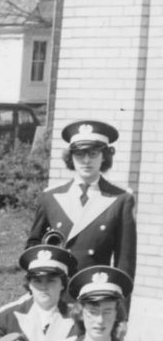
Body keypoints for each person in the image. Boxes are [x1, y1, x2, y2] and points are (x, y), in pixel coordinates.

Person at [27, 120, 136, 281]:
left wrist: (118, 305)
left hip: (93, 292)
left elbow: (125, 262)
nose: (86, 161)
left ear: (104, 157)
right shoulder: (50, 197)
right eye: (79, 154)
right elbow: (33, 247)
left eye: (93, 154)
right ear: (70, 157)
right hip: (56, 291)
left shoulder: (120, 200)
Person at [0, 244, 78, 341]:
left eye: (51, 280)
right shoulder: (6, 318)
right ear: (29, 284)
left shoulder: (78, 319)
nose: (44, 287)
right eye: (37, 281)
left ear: (63, 284)